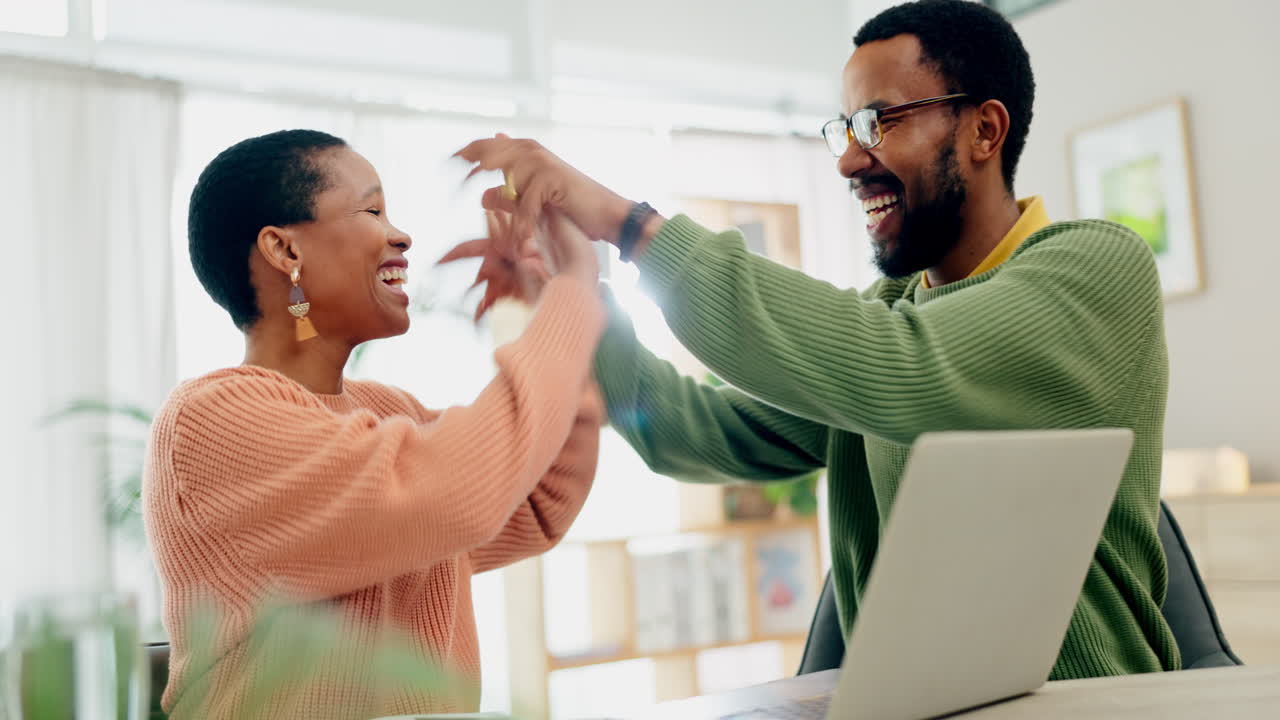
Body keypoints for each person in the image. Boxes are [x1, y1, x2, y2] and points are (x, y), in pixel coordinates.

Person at [449, 0, 1180, 679]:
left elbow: (906, 371)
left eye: (880, 121)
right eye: (845, 128)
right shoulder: (895, 311)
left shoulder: (1095, 269)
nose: (848, 160)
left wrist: (631, 227)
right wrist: (577, 290)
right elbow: (693, 433)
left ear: (985, 130)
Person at [144, 129, 605, 719]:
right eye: (372, 210)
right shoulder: (209, 422)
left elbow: (539, 497)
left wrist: (548, 302)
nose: (401, 235)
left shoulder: (389, 411)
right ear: (285, 251)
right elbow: (456, 495)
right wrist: (575, 288)